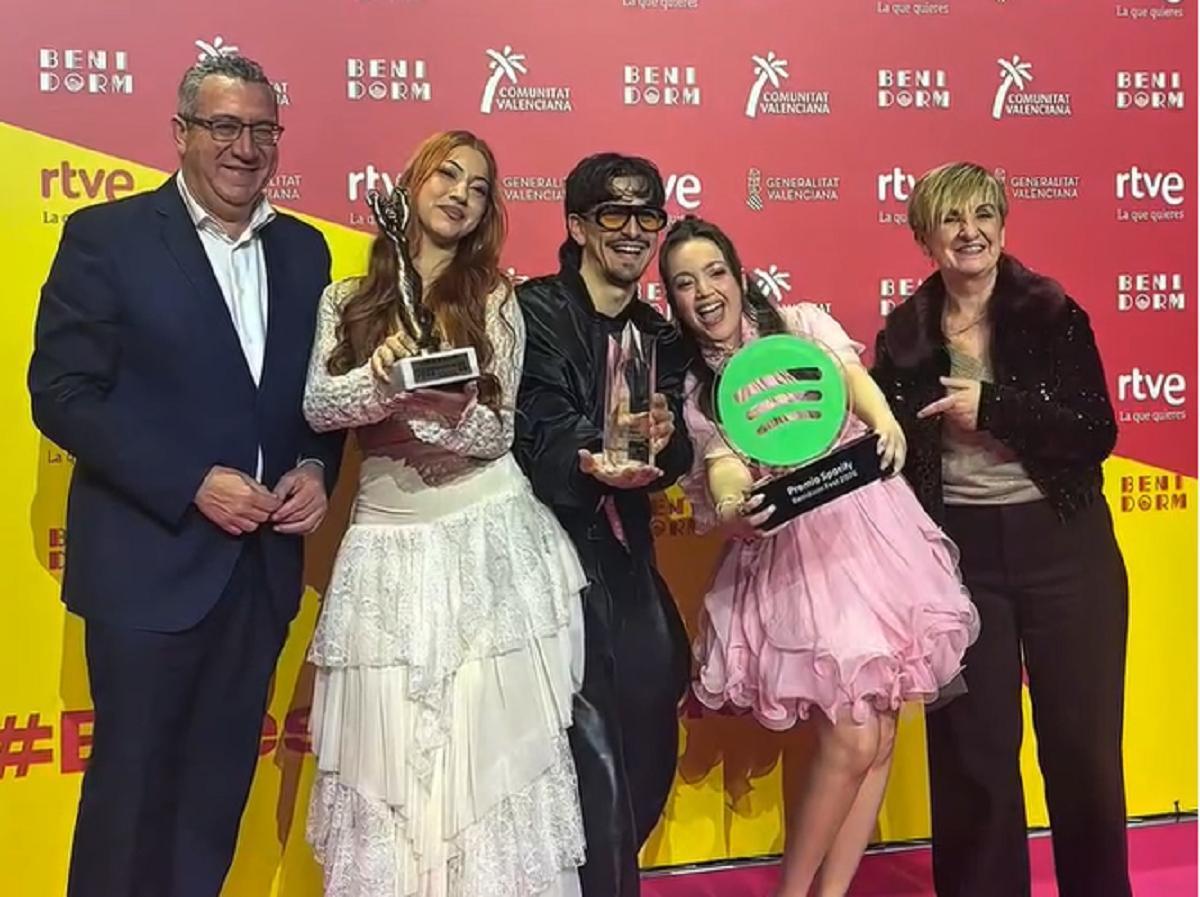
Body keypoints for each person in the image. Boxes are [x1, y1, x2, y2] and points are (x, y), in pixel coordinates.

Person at [27, 55, 341, 897]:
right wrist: (190, 479)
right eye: (224, 127)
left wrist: (317, 465)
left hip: (259, 575)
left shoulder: (306, 253)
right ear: (182, 134)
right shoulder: (109, 237)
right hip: (148, 571)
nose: (244, 147)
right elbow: (61, 394)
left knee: (214, 800)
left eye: (261, 129)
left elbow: (309, 404)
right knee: (129, 799)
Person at [302, 129, 587, 897]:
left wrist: (436, 412)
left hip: (483, 542)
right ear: (412, 183)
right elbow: (320, 405)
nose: (461, 192)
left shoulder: (495, 296)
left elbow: (498, 431)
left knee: (484, 762)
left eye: (480, 185)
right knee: (388, 763)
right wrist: (382, 379)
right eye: (447, 175)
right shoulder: (343, 299)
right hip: (385, 551)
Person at [660, 215, 979, 897]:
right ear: (674, 302)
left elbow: (850, 381)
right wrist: (736, 495)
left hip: (873, 530)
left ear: (739, 275)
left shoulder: (799, 324)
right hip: (799, 556)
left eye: (715, 272)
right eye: (685, 284)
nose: (706, 292)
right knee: (854, 738)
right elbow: (721, 470)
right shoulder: (701, 390)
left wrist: (887, 420)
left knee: (882, 735)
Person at [871, 162, 1131, 897]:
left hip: (1065, 548)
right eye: (952, 219)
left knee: (1081, 751)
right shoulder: (905, 336)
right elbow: (889, 454)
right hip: (960, 561)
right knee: (973, 759)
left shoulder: (1052, 312)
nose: (970, 232)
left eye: (984, 214)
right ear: (927, 234)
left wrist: (991, 407)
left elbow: (1093, 431)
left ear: (1004, 225)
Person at [515, 153, 693, 897]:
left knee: (650, 729)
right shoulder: (535, 311)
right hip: (549, 554)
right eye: (612, 213)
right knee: (586, 751)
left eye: (646, 214)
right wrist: (594, 449)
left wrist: (663, 436)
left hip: (626, 553)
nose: (631, 230)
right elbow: (537, 427)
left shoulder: (660, 332)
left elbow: (678, 445)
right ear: (578, 225)